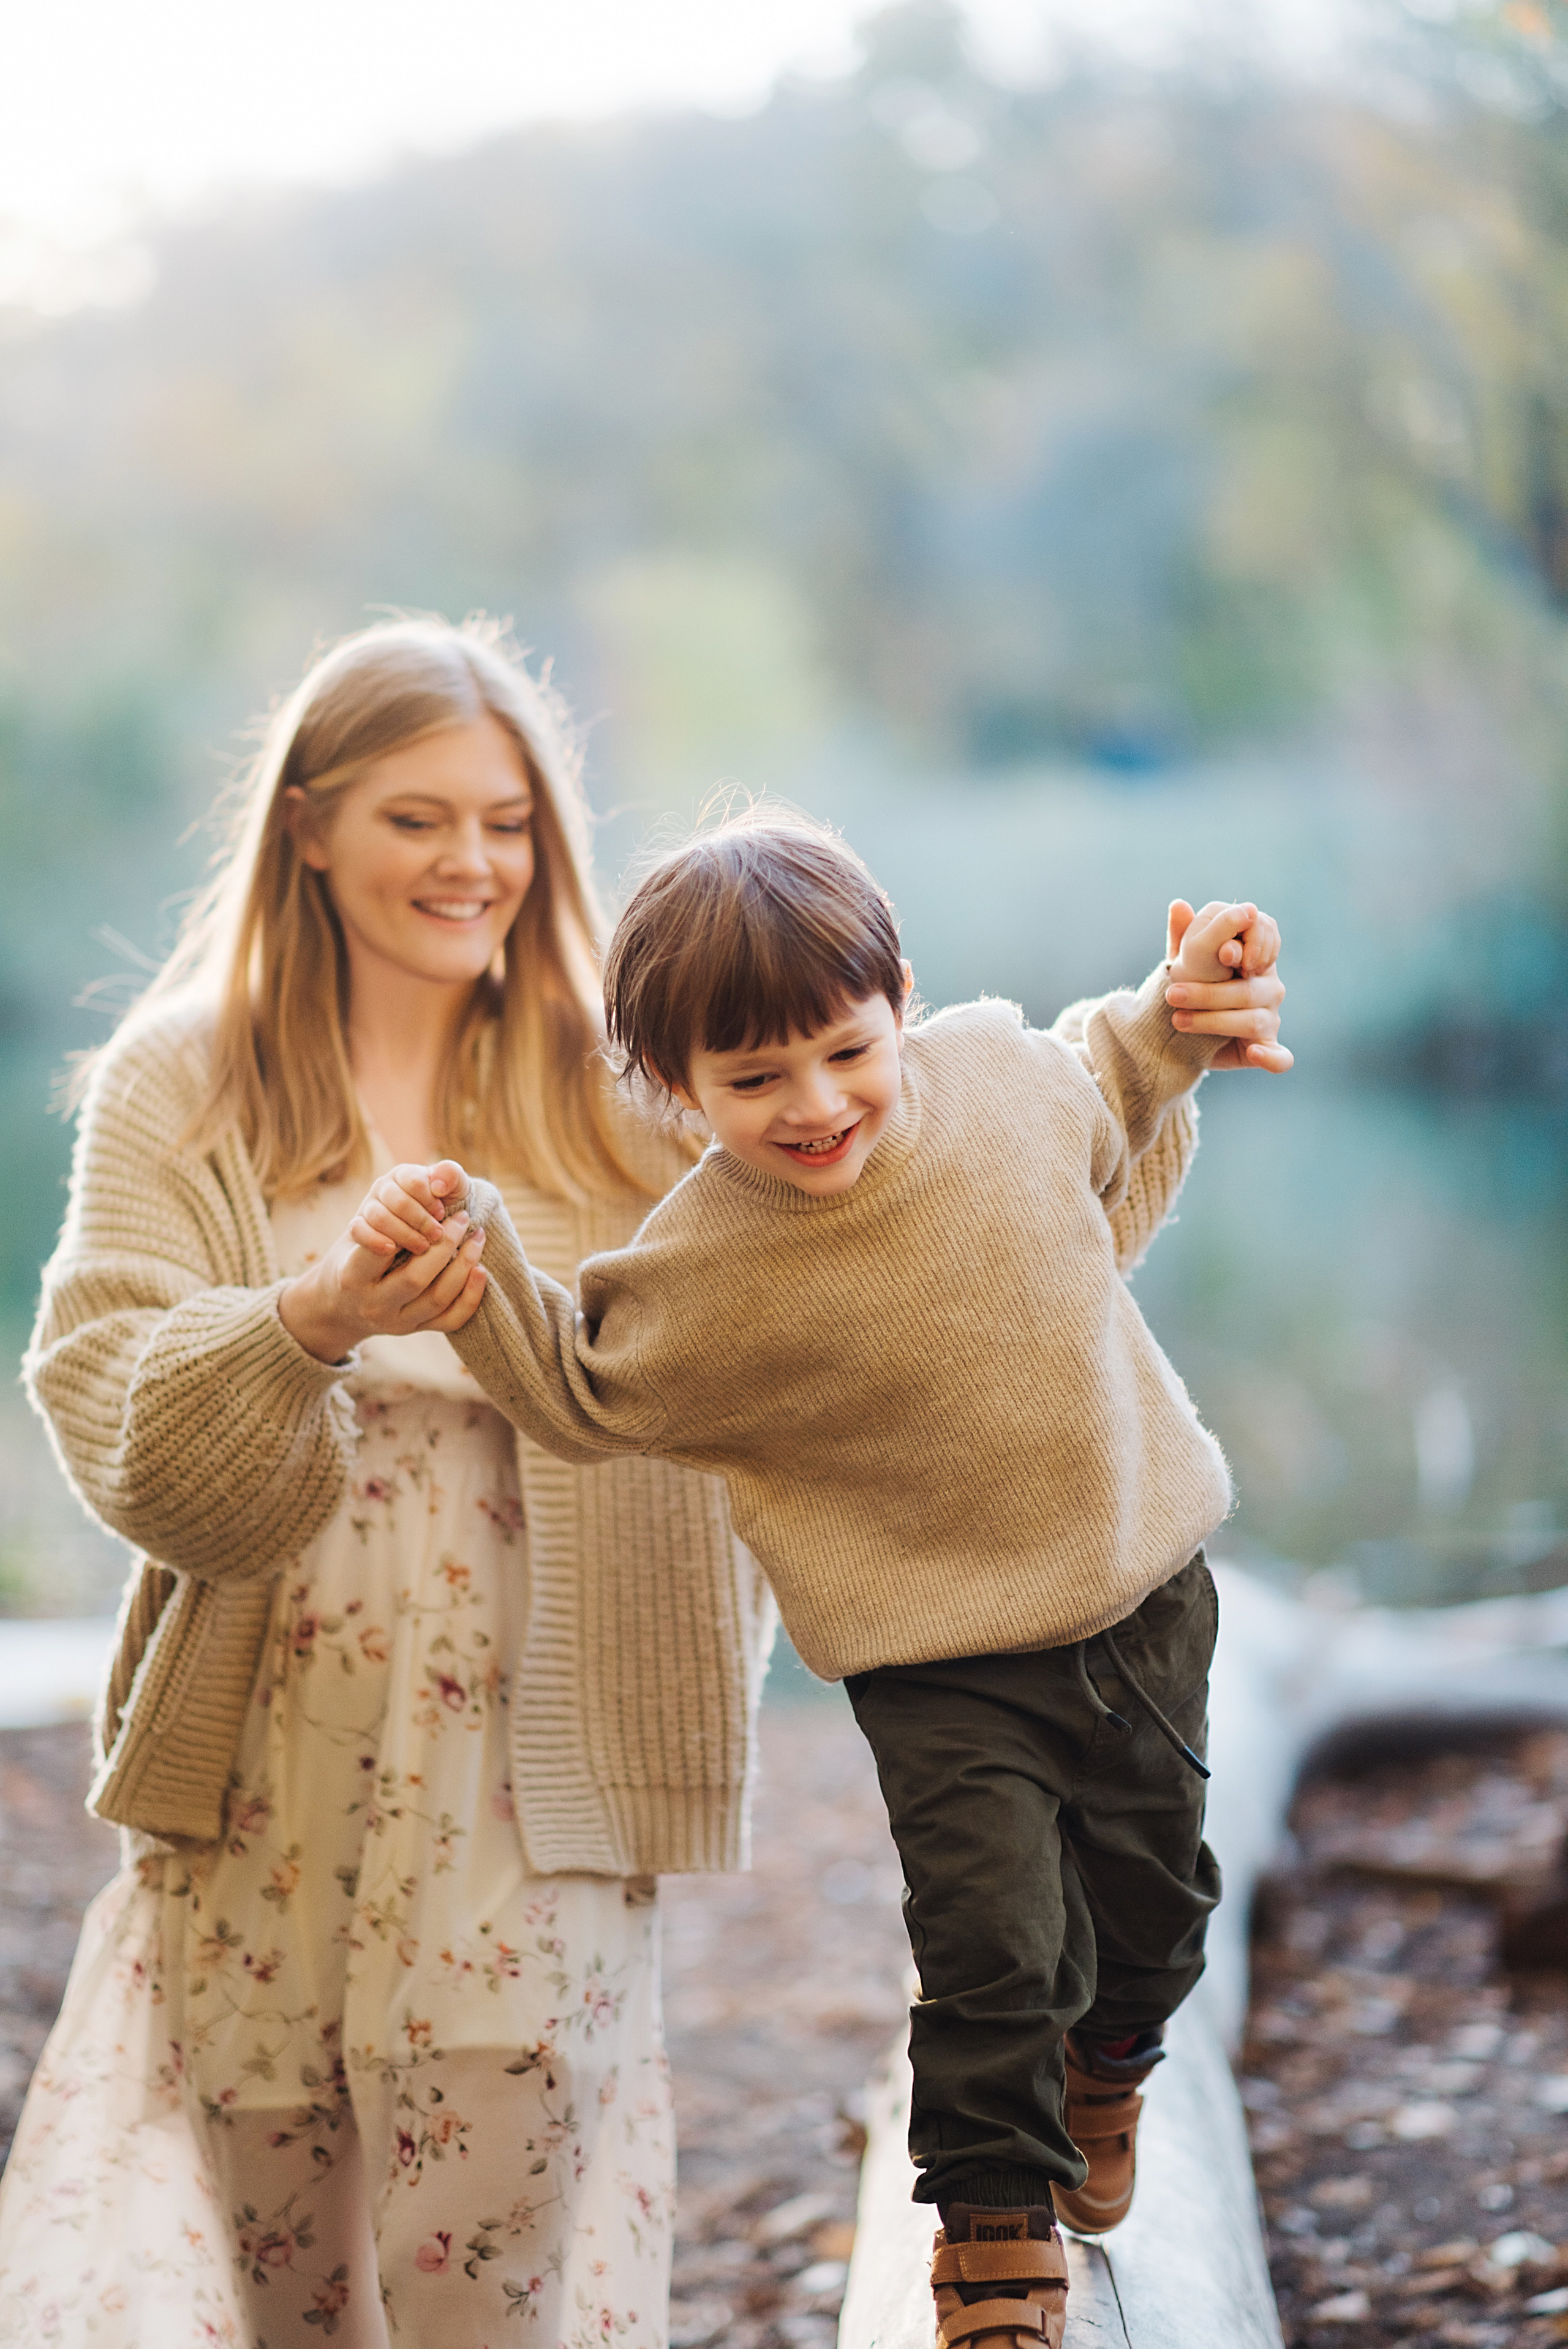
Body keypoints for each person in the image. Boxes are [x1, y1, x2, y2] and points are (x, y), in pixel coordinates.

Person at [345, 812, 1291, 2349]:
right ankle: (991, 2234)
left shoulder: (996, 1076)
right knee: (988, 1945)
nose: (813, 1105)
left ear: (900, 999)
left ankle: (1110, 2060)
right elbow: (581, 1387)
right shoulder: (707, 1265)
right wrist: (477, 1259)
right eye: (751, 1080)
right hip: (937, 1663)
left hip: (1141, 1598)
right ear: (676, 1088)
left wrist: (1184, 992)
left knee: (1155, 1909)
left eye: (844, 1050)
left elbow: (1112, 1071)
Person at [0, 618, 782, 2349]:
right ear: (307, 823)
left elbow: (839, 1217)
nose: (475, 862)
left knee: (484, 2252)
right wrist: (309, 1320)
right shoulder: (181, 1079)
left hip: (545, 1730)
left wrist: (1137, 1063)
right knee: (292, 2280)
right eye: (421, 817)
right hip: (260, 1739)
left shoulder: (621, 1079)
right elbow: (111, 1403)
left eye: (509, 822)